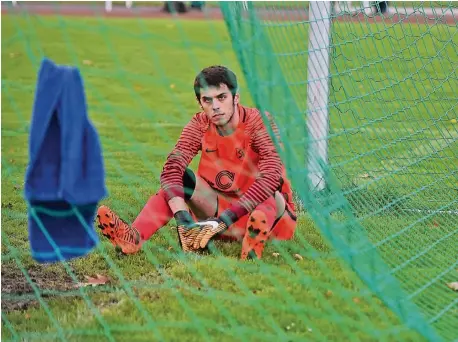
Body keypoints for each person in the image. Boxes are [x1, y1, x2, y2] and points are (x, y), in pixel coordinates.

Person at [96, 65, 297, 260]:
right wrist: (183, 218)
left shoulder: (259, 122)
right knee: (179, 179)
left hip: (272, 220)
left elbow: (272, 175)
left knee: (270, 189)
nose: (215, 106)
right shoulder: (199, 124)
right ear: (200, 103)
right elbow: (171, 169)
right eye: (207, 100)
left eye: (221, 97)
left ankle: (252, 245)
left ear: (236, 98)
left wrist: (223, 220)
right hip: (218, 218)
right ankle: (133, 237)